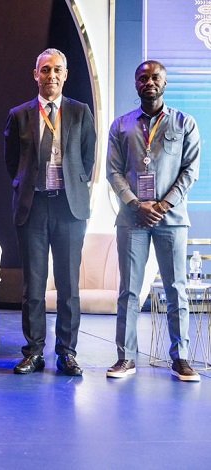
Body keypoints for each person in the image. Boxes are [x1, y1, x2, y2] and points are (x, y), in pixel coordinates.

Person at [106, 60, 201, 382]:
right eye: (143, 77)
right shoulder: (121, 125)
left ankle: (182, 358)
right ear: (135, 84)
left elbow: (190, 171)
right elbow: (113, 171)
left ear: (165, 82)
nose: (149, 82)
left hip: (171, 218)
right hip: (132, 218)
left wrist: (163, 204)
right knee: (129, 290)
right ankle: (125, 358)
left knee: (176, 289)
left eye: (155, 77)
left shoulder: (184, 123)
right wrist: (135, 203)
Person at [4, 48, 96, 376]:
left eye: (57, 70)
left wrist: (70, 185)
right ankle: (33, 352)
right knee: (34, 285)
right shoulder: (19, 115)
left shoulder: (80, 112)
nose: (51, 76)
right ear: (35, 74)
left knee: (69, 286)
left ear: (66, 74)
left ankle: (67, 353)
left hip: (69, 208)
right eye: (45, 70)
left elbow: (87, 159)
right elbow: (12, 161)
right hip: (33, 206)